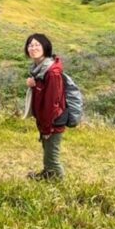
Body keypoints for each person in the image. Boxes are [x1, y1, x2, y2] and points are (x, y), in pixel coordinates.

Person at [24, 33, 67, 180]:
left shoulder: (52, 72)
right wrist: (34, 85)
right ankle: (47, 175)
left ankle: (62, 187)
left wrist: (47, 127)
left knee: (53, 158)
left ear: (45, 47)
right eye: (30, 45)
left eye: (37, 45)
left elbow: (52, 103)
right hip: (45, 118)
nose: (33, 48)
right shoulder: (39, 68)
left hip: (53, 120)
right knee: (47, 150)